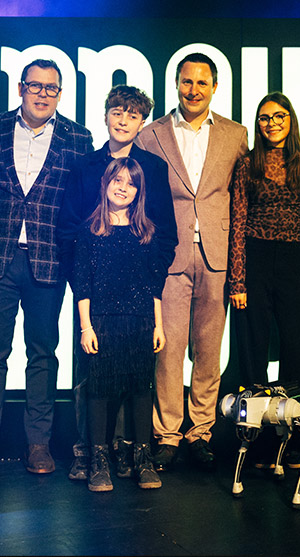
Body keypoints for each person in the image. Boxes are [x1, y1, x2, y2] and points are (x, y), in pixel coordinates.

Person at [0, 59, 93, 482]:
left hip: (49, 260)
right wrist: (1, 227)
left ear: (60, 93)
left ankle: (39, 445)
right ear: (20, 88)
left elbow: (82, 200)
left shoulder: (78, 138)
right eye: (35, 85)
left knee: (43, 354)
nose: (42, 94)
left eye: (51, 88)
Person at [134, 52, 248, 471]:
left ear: (214, 87)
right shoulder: (151, 134)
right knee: (168, 350)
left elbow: (242, 200)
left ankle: (200, 432)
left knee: (209, 351)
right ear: (177, 84)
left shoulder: (236, 135)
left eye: (202, 82)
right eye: (187, 81)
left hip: (217, 257)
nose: (194, 89)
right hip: (170, 255)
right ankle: (167, 435)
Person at [57, 84, 176, 482]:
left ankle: (129, 451)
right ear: (106, 115)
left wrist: (147, 280)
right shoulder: (85, 167)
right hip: (95, 294)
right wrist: (84, 283)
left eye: (132, 115)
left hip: (139, 296)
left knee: (134, 377)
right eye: (117, 112)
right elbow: (70, 228)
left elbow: (165, 236)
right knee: (91, 376)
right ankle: (89, 452)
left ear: (142, 122)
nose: (123, 121)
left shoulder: (154, 169)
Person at [228, 93, 300, 468]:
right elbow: (238, 221)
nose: (272, 123)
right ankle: (256, 443)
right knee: (253, 357)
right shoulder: (247, 165)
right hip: (256, 259)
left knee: (295, 355)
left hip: (295, 262)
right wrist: (238, 281)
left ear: (291, 120)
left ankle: (293, 441)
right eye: (264, 117)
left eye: (279, 116)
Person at [74, 158, 168, 492]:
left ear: (139, 191)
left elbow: (153, 285)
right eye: (117, 180)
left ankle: (142, 458)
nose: (123, 187)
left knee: (141, 390)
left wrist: (158, 326)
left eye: (130, 183)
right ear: (106, 183)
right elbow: (82, 284)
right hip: (102, 322)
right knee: (99, 391)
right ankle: (98, 462)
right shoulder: (89, 231)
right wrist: (86, 327)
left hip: (140, 321)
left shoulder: (147, 232)